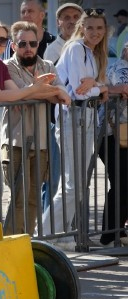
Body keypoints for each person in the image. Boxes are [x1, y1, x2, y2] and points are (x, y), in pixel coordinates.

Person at [0, 20, 59, 223]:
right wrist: (34, 89)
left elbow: (14, 93)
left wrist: (23, 94)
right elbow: (0, 95)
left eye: (2, 39)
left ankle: (0, 235)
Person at [42, 8, 110, 251]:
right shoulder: (75, 48)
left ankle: (59, 234)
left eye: (99, 28)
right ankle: (46, 235)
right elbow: (81, 90)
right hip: (73, 116)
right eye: (90, 27)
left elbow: (91, 85)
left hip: (86, 116)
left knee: (77, 183)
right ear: (82, 27)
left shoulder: (91, 52)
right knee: (72, 183)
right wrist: (100, 88)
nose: (95, 32)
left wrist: (97, 85)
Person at [1, 21, 70, 235]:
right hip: (15, 142)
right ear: (13, 46)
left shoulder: (48, 66)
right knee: (19, 198)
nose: (28, 48)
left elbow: (63, 95)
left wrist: (33, 92)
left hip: (41, 142)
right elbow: (20, 94)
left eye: (32, 43)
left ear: (38, 43)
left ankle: (27, 243)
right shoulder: (5, 67)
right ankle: (10, 244)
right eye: (22, 44)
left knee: (33, 200)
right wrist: (44, 92)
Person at [98, 42, 128, 246]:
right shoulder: (119, 68)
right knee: (121, 182)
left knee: (123, 183)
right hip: (114, 135)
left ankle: (117, 231)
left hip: (116, 134)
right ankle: (110, 234)